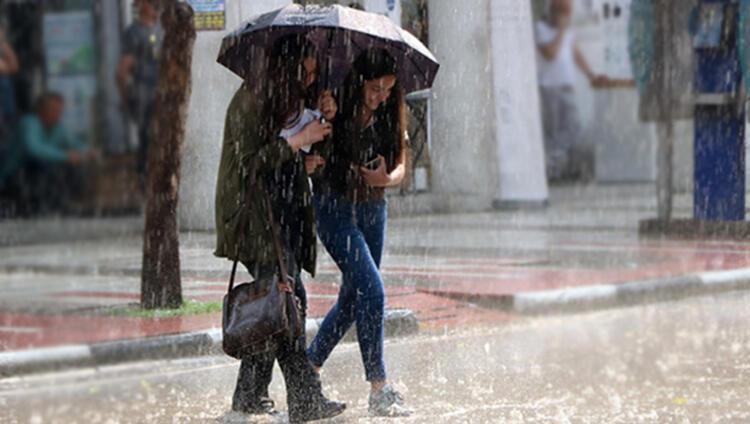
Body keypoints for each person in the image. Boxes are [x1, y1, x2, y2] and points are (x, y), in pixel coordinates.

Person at [214, 34, 343, 423]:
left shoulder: (287, 101)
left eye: (312, 73)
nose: (308, 80)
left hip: (279, 215)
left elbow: (294, 157)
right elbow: (250, 164)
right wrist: (296, 142)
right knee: (285, 302)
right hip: (254, 218)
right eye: (302, 72)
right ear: (283, 68)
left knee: (281, 303)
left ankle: (250, 397)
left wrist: (323, 125)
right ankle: (303, 400)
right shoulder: (251, 100)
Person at [306, 49, 412, 417]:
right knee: (373, 290)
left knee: (354, 299)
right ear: (361, 80)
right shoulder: (335, 103)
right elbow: (314, 150)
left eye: (387, 89)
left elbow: (402, 165)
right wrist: (329, 116)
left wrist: (387, 178)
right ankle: (379, 386)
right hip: (334, 208)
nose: (381, 96)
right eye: (376, 88)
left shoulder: (390, 112)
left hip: (373, 207)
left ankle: (309, 367)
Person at [535, 0, 607, 182]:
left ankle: (552, 158)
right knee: (556, 128)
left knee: (574, 126)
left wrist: (590, 75)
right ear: (554, 13)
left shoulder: (567, 32)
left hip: (566, 86)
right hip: (550, 87)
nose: (566, 19)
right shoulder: (541, 29)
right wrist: (560, 31)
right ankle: (552, 168)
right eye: (563, 15)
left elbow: (575, 54)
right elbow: (550, 54)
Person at [0, 93, 95, 214]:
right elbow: (34, 149)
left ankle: (59, 206)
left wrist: (87, 151)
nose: (58, 114)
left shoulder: (57, 127)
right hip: (15, 176)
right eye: (53, 110)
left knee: (71, 169)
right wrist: (66, 156)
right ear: (41, 110)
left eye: (60, 111)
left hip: (39, 176)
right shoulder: (29, 123)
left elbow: (73, 142)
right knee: (48, 169)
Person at [116, 0, 163, 187]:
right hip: (145, 91)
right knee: (148, 138)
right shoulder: (134, 33)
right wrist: (127, 97)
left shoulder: (163, 29)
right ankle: (147, 182)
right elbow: (122, 71)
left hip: (164, 92)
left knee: (162, 138)